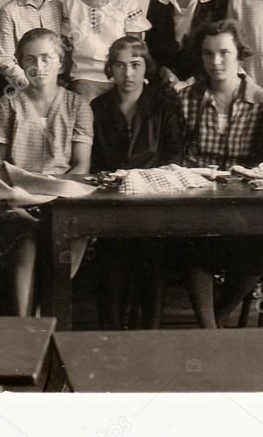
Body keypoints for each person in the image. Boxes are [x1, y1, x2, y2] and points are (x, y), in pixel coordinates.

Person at [177, 20, 263, 328]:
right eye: (208, 54)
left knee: (257, 258)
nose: (216, 62)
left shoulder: (261, 101)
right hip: (196, 199)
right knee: (193, 251)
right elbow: (176, 154)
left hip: (242, 202)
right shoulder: (185, 100)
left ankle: (214, 323)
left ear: (240, 55)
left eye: (224, 53)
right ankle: (209, 332)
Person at [0, 28, 92, 316]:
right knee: (26, 239)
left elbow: (81, 165)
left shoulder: (77, 105)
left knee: (63, 238)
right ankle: (24, 324)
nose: (39, 66)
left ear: (61, 61)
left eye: (47, 58)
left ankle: (46, 318)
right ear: (21, 64)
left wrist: (55, 193)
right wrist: (23, 194)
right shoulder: (7, 104)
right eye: (30, 59)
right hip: (17, 196)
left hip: (63, 197)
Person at [91, 37, 184, 329]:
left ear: (147, 68)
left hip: (153, 201)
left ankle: (149, 332)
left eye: (135, 65)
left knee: (151, 252)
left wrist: (145, 183)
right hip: (111, 202)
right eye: (119, 65)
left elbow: (174, 156)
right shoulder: (98, 107)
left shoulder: (164, 104)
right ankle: (112, 331)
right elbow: (92, 161)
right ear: (110, 69)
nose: (128, 74)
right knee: (111, 256)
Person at [63, 0, 151, 101]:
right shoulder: (71, 2)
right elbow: (68, 46)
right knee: (87, 118)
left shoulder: (125, 0)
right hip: (85, 76)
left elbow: (135, 45)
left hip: (121, 73)